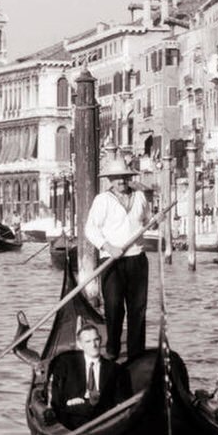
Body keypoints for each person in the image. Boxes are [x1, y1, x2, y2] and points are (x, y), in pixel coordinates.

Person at [84, 154, 151, 360]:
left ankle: (135, 355)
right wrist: (107, 246)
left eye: (123, 176)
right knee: (113, 307)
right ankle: (112, 351)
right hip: (112, 260)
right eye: (116, 177)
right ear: (109, 180)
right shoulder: (102, 200)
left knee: (137, 309)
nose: (121, 181)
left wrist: (156, 221)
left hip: (137, 259)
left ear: (128, 176)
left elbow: (147, 220)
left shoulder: (140, 197)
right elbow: (90, 229)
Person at [48, 323, 129, 429]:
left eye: (96, 340)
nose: (93, 345)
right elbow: (57, 401)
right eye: (88, 341)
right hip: (73, 421)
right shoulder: (65, 365)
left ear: (100, 340)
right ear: (80, 345)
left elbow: (121, 402)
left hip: (104, 421)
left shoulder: (114, 369)